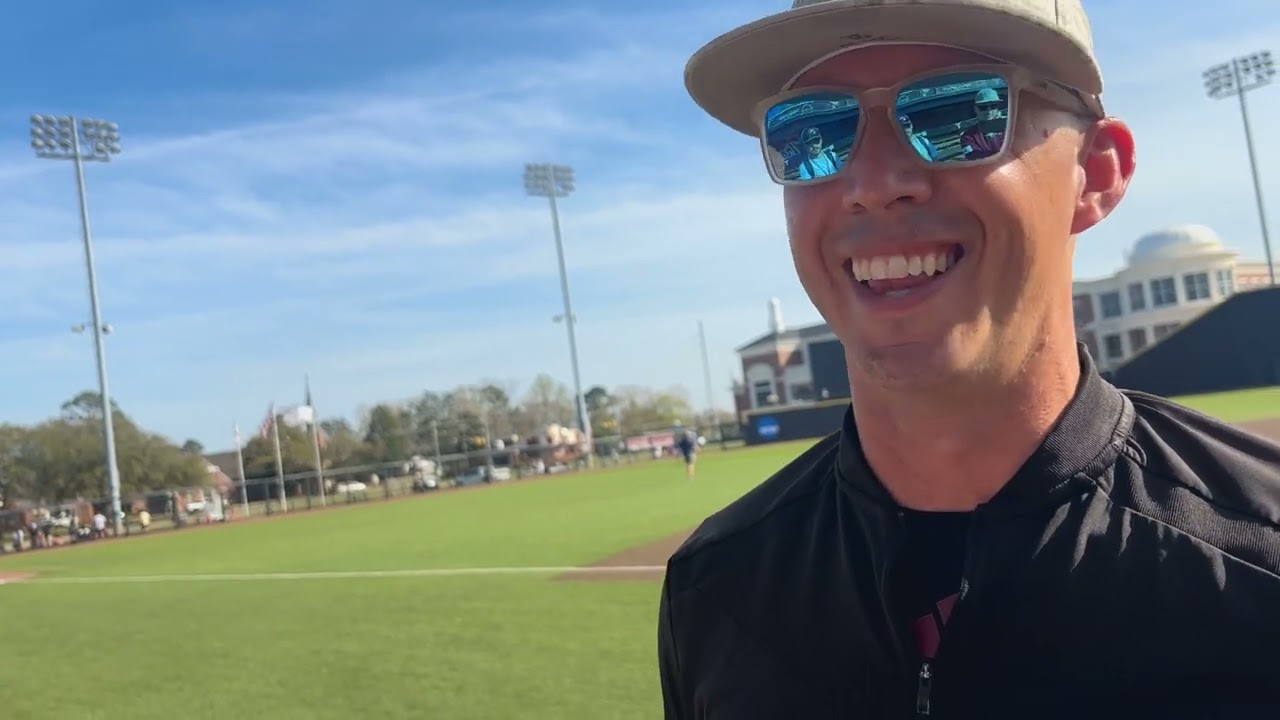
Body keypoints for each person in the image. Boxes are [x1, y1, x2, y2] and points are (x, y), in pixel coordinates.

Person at [660, 0, 1280, 717]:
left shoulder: (1257, 563)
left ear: (1096, 173)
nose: (873, 183)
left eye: (957, 115)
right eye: (813, 134)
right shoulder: (715, 587)